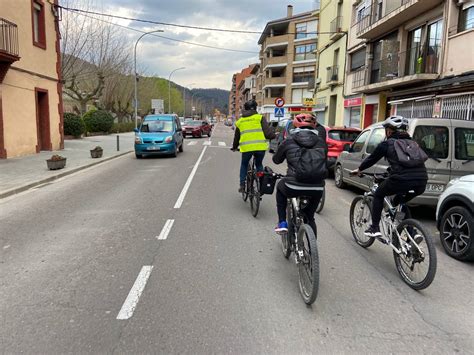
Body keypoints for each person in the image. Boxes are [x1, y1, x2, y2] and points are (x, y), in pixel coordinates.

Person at [350, 116, 428, 237]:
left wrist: (359, 169)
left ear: (390, 131)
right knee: (400, 201)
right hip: (421, 181)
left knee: (379, 194)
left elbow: (371, 159)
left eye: (386, 130)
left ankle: (374, 227)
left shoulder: (387, 144)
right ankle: (413, 233)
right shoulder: (413, 143)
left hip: (401, 180)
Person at [272, 113, 327, 234]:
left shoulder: (288, 141)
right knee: (310, 217)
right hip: (317, 188)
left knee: (280, 188)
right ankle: (311, 251)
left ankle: (282, 222)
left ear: (295, 125)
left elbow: (276, 160)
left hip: (293, 185)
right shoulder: (322, 142)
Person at [231, 99, 275, 192]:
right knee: (259, 164)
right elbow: (268, 134)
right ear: (255, 108)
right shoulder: (260, 118)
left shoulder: (240, 121)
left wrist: (235, 147)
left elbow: (237, 137)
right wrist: (274, 135)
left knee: (244, 164)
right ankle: (261, 184)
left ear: (245, 109)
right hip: (260, 148)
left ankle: (242, 185)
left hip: (247, 148)